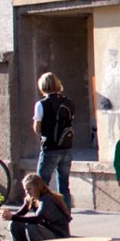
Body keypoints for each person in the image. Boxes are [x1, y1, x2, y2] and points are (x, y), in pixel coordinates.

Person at [2, 173, 72, 241]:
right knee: (14, 224)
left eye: (29, 189)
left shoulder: (47, 199)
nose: (27, 192)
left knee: (31, 227)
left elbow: (37, 219)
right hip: (47, 234)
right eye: (25, 189)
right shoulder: (31, 198)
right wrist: (7, 214)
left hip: (59, 237)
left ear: (37, 187)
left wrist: (12, 217)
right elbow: (19, 214)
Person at [34, 72, 75, 209]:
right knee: (64, 185)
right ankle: (66, 215)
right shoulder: (68, 102)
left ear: (43, 87)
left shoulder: (41, 104)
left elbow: (37, 128)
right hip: (66, 148)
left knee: (41, 184)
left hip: (50, 149)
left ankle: (42, 213)